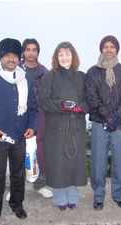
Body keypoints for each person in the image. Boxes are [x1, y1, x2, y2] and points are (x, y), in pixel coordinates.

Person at [0, 38, 38, 225]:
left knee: (18, 174)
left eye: (14, 55)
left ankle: (17, 204)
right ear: (0, 57)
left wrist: (32, 127)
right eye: (7, 55)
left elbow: (32, 108)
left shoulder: (25, 78)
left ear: (19, 57)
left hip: (20, 137)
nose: (11, 59)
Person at [38, 41, 89, 211]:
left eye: (68, 54)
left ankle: (73, 197)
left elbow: (89, 101)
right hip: (56, 128)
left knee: (74, 162)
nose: (64, 58)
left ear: (73, 56)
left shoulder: (82, 76)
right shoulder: (49, 76)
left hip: (76, 126)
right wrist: (61, 105)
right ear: (56, 57)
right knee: (59, 163)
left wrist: (81, 108)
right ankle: (60, 198)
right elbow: (43, 101)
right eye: (61, 54)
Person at [85, 35, 121, 210]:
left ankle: (118, 194)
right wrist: (107, 116)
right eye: (106, 46)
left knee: (120, 161)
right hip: (99, 122)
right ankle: (98, 196)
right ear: (101, 49)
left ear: (117, 49)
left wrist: (117, 116)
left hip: (120, 124)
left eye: (112, 46)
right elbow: (92, 97)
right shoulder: (92, 72)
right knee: (98, 161)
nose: (109, 49)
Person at [19, 38, 53, 198]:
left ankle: (40, 185)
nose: (31, 52)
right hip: (18, 116)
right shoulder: (16, 69)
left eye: (34, 49)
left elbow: (46, 95)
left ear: (37, 52)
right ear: (23, 51)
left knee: (40, 151)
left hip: (39, 116)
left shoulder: (44, 72)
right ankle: (16, 189)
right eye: (28, 49)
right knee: (17, 151)